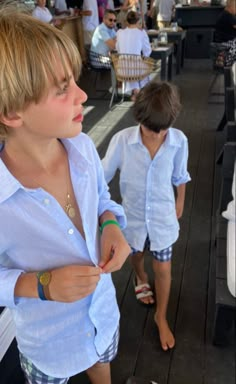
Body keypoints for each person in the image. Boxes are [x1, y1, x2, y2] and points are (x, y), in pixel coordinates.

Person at [0, 6, 131, 384]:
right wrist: (41, 285)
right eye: (62, 89)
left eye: (74, 80)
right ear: (11, 113)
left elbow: (103, 200)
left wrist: (110, 224)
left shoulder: (84, 149)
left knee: (102, 364)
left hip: (104, 317)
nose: (82, 94)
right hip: (48, 345)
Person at [102, 81, 191, 351]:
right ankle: (140, 278)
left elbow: (180, 175)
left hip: (164, 219)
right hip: (133, 220)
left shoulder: (179, 141)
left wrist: (180, 200)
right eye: (149, 129)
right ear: (139, 117)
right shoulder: (122, 141)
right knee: (137, 256)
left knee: (164, 269)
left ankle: (160, 316)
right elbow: (100, 179)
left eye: (162, 130)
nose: (155, 135)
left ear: (171, 121)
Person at [116, 11, 152, 99]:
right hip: (135, 70)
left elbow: (118, 49)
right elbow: (147, 51)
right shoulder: (142, 33)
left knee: (133, 65)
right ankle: (137, 92)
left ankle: (134, 91)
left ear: (127, 21)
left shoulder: (119, 32)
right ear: (137, 21)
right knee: (141, 66)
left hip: (122, 70)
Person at [214, 0, 236, 66]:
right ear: (231, 7)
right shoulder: (228, 16)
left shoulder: (224, 14)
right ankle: (226, 59)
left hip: (222, 40)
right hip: (226, 42)